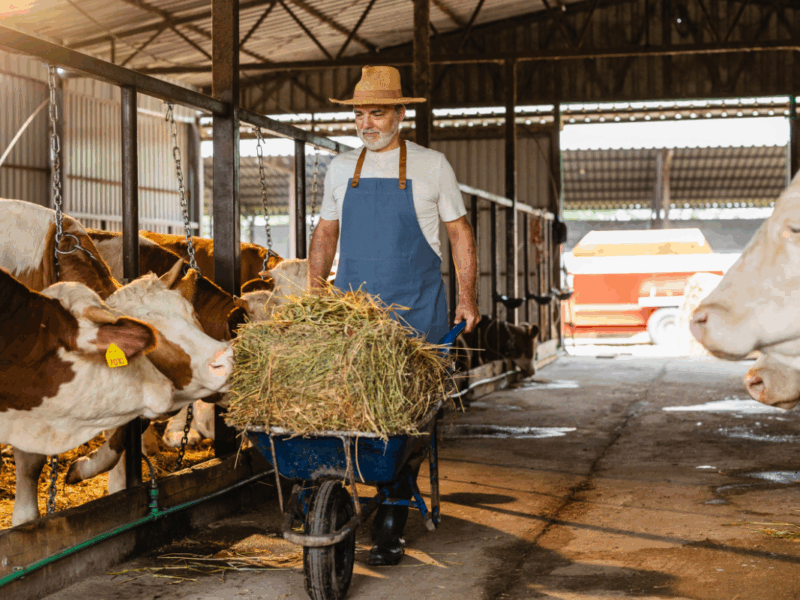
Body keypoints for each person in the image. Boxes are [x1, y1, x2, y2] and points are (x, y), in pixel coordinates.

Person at [308, 65, 480, 566]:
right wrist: (316, 297)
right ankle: (340, 498)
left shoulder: (432, 166)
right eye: (359, 113)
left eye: (377, 113)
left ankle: (392, 510)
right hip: (356, 322)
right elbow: (324, 235)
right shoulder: (342, 169)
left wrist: (466, 299)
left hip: (417, 317)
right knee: (350, 414)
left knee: (406, 421)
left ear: (401, 114)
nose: (366, 123)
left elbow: (461, 235)